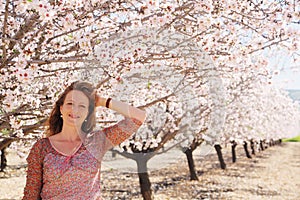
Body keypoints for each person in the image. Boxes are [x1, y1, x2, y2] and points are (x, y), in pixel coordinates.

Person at [22, 81, 146, 200]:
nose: (75, 110)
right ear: (61, 108)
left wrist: (102, 101)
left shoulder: (97, 142)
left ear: (88, 113)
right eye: (70, 104)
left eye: (82, 106)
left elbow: (139, 117)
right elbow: (31, 194)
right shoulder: (41, 147)